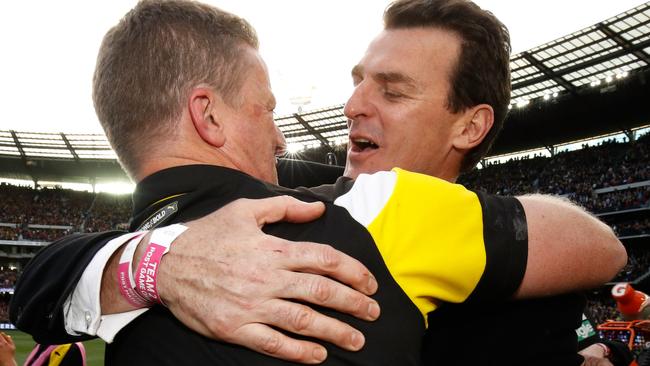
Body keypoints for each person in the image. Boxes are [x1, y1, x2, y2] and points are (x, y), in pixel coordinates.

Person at [10, 0, 625, 365]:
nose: (353, 103)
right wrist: (150, 263)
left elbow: (603, 249)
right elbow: (57, 273)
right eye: (358, 80)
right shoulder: (285, 212)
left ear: (470, 126)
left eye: (392, 89)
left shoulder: (542, 292)